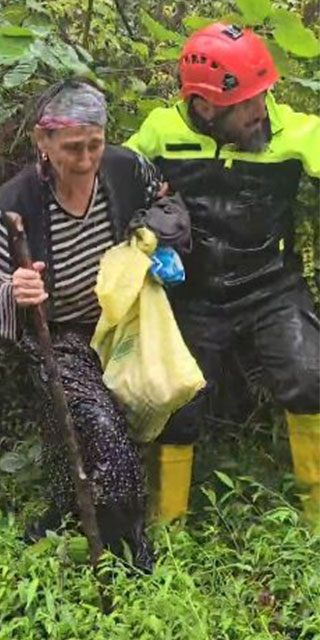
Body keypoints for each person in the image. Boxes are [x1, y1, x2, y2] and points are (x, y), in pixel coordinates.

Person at [125, 23, 320, 527]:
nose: (262, 109)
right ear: (206, 106)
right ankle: (166, 527)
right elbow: (111, 178)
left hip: (272, 284)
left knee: (308, 375)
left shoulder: (293, 131)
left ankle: (317, 515)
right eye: (249, 103)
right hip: (193, 294)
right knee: (176, 399)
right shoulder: (160, 133)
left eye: (265, 94)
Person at [0, 80, 169, 569]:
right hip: (61, 337)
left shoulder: (124, 167)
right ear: (43, 141)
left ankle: (58, 517)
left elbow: (164, 196)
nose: (84, 159)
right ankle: (131, 554)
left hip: (124, 325)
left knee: (92, 429)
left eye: (94, 145)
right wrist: (14, 291)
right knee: (100, 429)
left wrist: (161, 231)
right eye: (72, 148)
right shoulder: (19, 200)